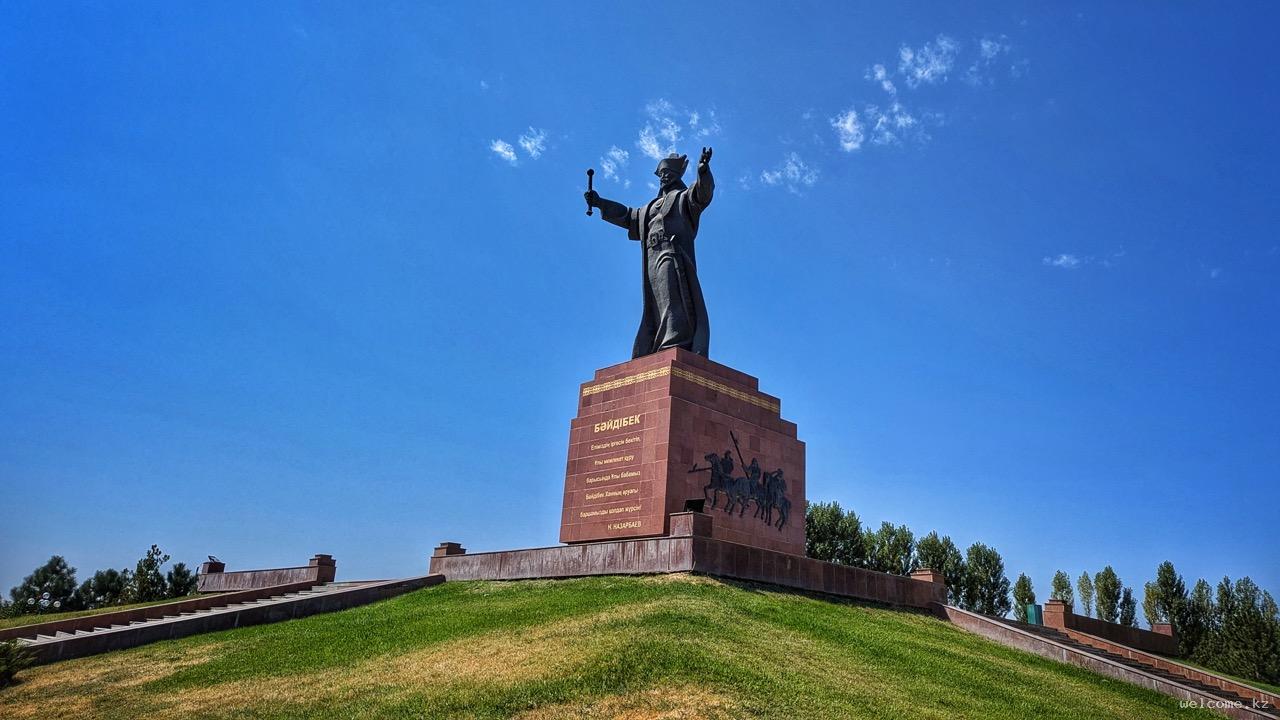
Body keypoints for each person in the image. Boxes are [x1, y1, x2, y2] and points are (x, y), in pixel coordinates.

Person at [585, 147, 714, 358]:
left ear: (676, 176)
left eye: (668, 174)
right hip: (651, 258)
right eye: (662, 175)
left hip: (671, 254)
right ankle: (658, 345)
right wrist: (600, 203)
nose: (664, 177)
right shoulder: (650, 208)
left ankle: (675, 341)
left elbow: (701, 195)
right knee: (656, 303)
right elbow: (628, 216)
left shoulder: (683, 198)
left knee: (674, 297)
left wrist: (703, 171)